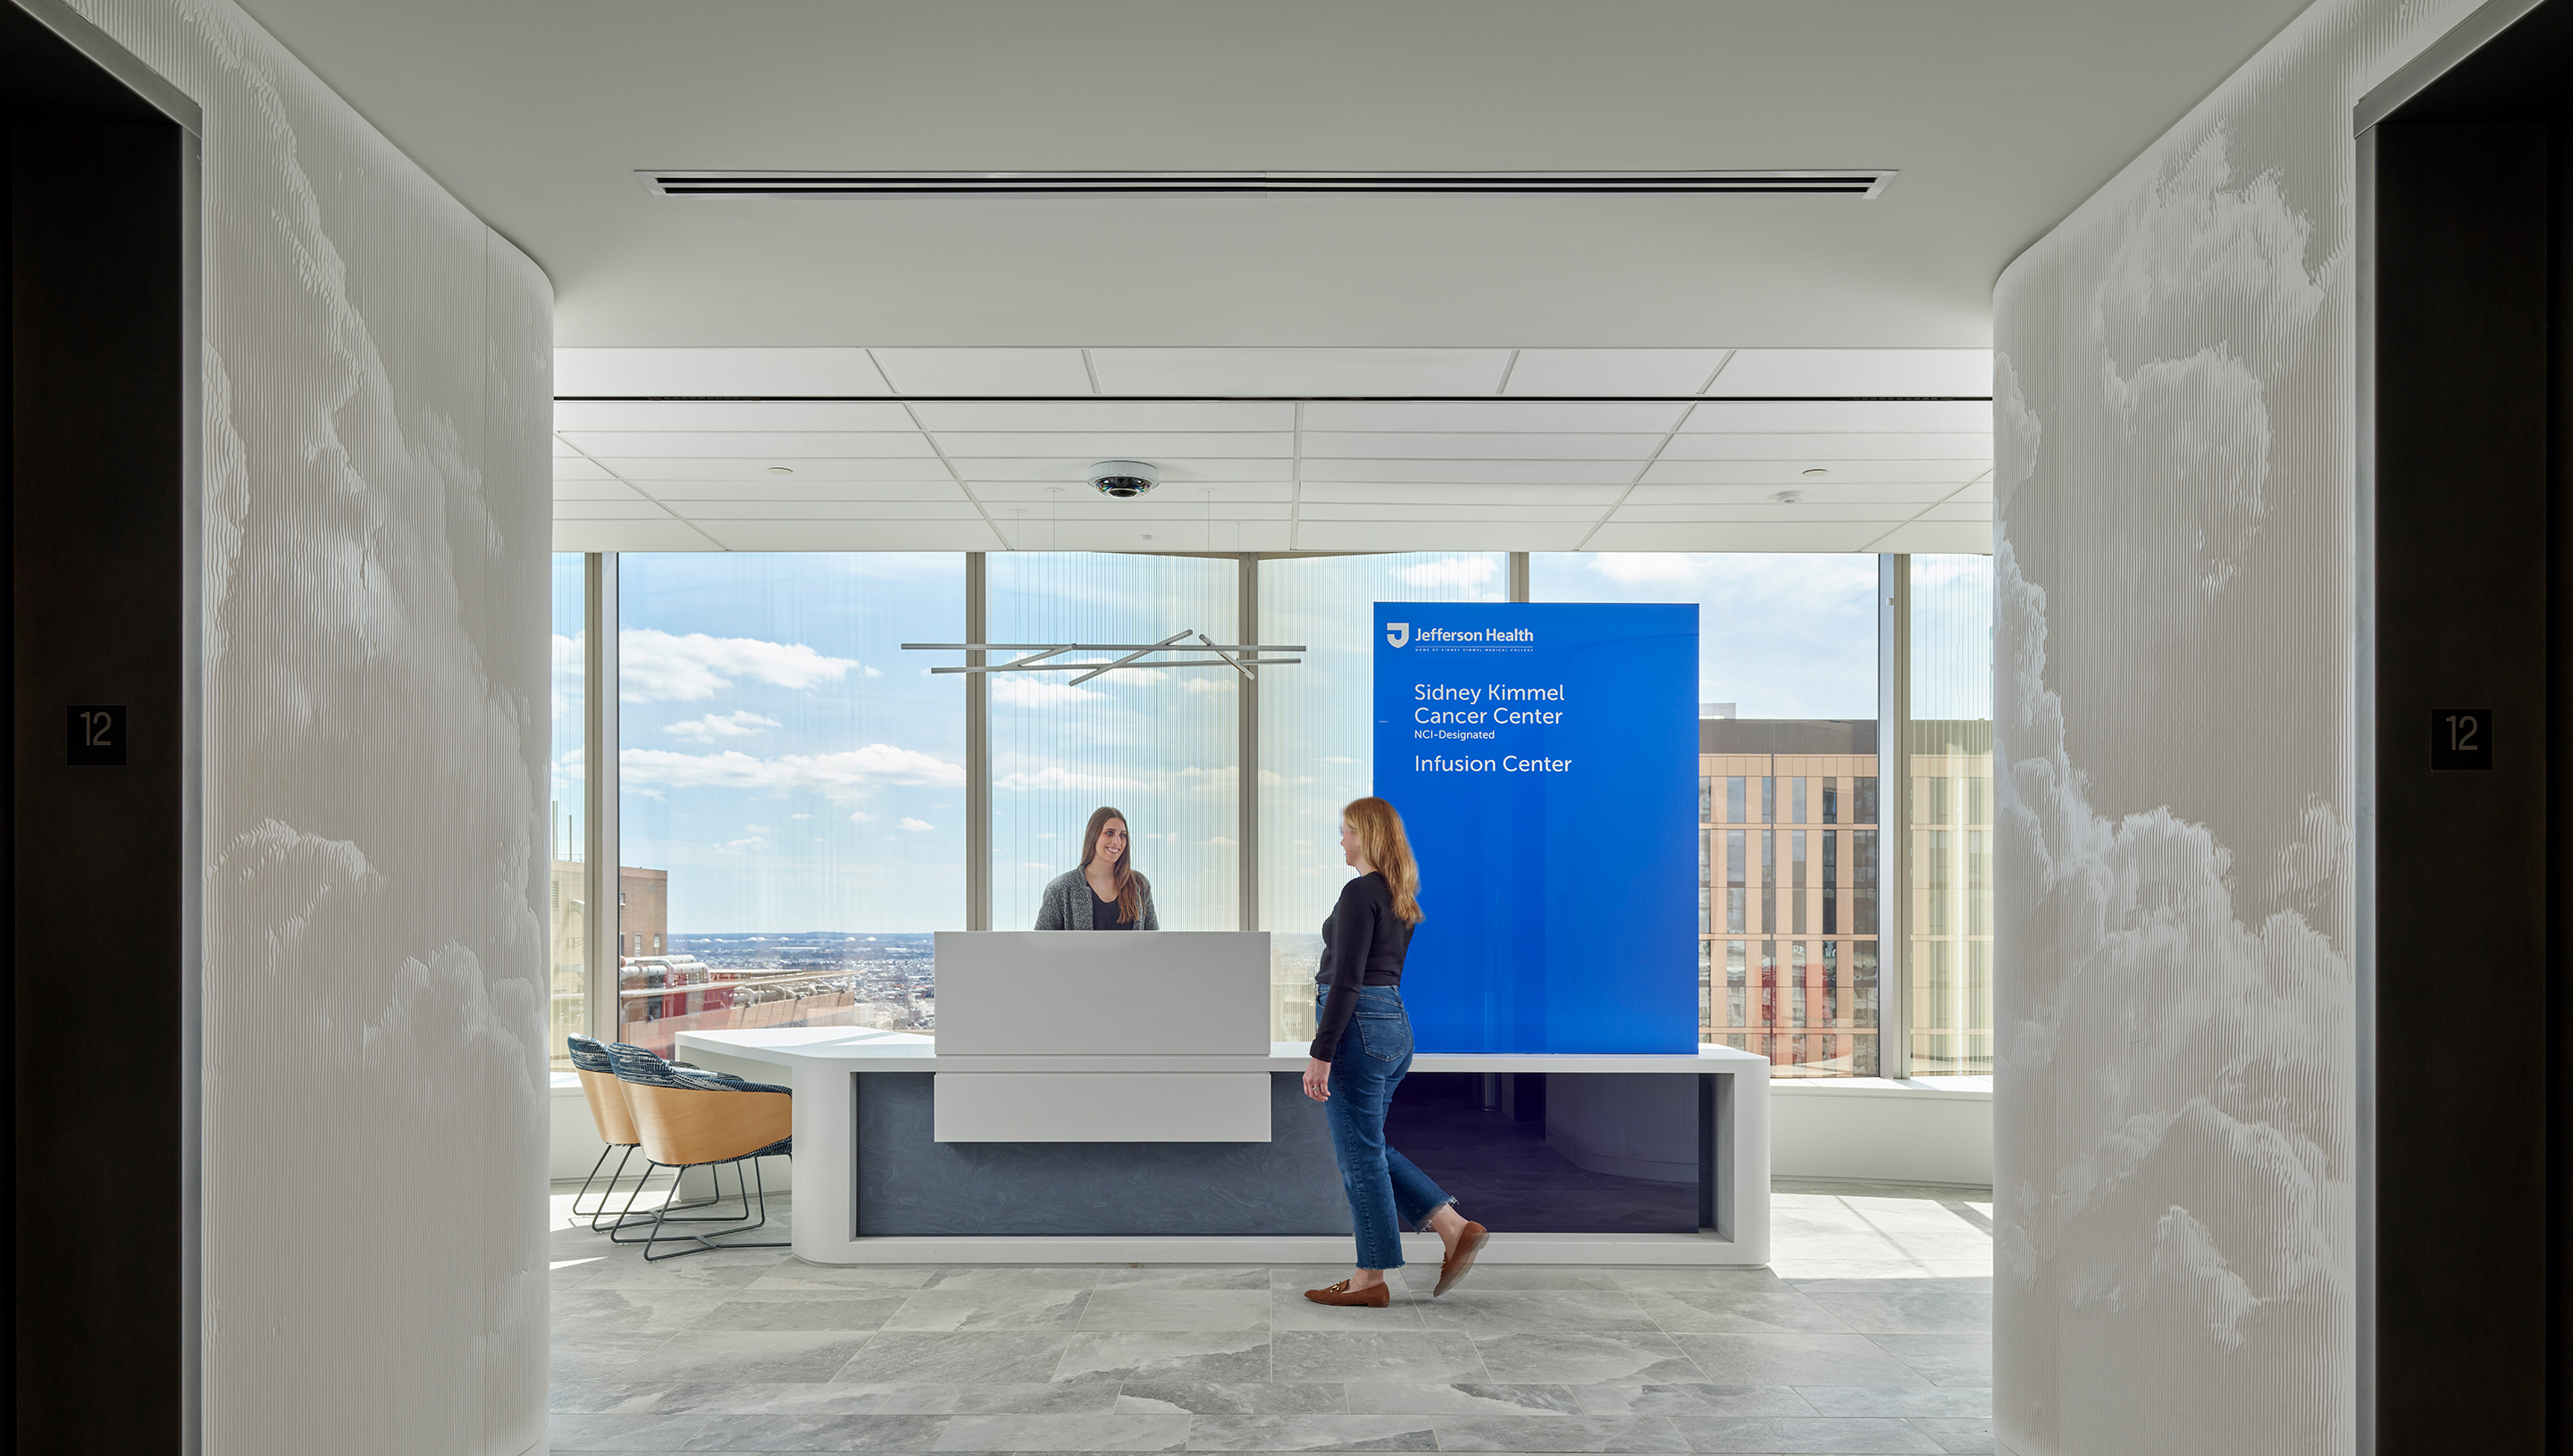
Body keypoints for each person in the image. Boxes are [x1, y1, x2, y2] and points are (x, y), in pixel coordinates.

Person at [1302, 796, 1488, 1306]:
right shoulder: (1397, 893)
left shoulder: (1360, 891)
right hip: (1392, 1026)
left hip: (1358, 1027)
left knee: (1359, 1156)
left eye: (1346, 831)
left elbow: (1347, 979)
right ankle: (1453, 1227)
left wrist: (1321, 1052)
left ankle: (1370, 1279)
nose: (1341, 840)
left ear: (1366, 835)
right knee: (1369, 1146)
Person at [1033, 805, 1161, 930]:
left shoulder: (1140, 884)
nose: (1117, 841)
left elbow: (1154, 940)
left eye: (1123, 835)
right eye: (1109, 833)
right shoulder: (1060, 889)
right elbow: (1041, 942)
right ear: (1093, 836)